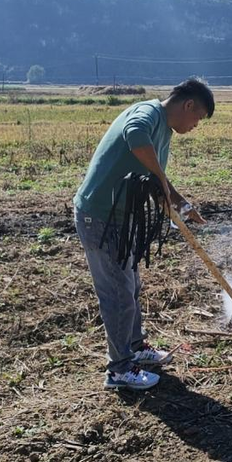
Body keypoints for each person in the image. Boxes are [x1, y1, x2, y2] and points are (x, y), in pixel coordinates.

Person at [73, 78, 213, 390]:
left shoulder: (162, 130)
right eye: (198, 118)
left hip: (119, 219)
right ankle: (119, 370)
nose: (195, 125)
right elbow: (134, 135)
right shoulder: (148, 114)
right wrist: (163, 185)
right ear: (188, 105)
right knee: (118, 293)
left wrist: (180, 203)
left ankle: (135, 348)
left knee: (130, 285)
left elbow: (154, 178)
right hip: (100, 217)